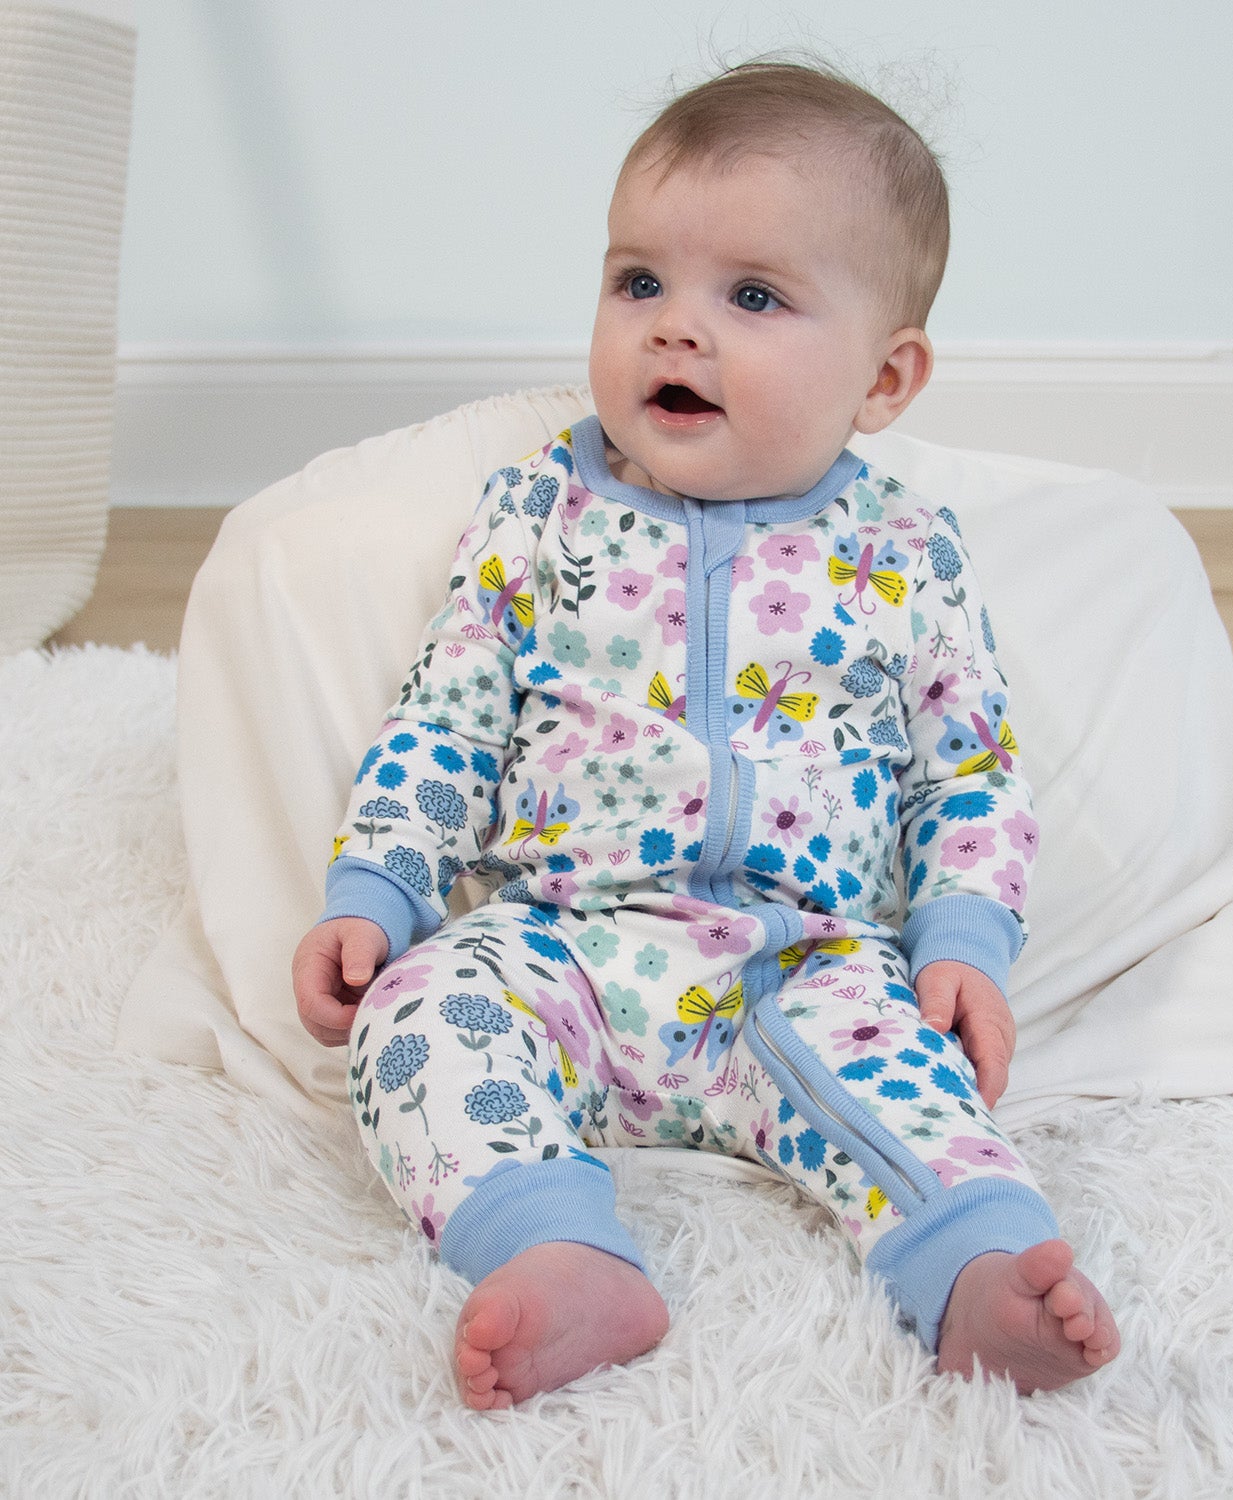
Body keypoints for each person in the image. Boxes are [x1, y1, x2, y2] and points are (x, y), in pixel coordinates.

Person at [293, 59, 1119, 1410]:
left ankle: (977, 1271)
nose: (676, 329)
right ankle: (555, 1250)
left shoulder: (902, 552)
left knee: (911, 1089)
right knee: (421, 1020)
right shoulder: (538, 515)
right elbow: (445, 715)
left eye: (753, 297)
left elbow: (969, 769)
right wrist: (376, 889)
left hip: (799, 963)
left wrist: (964, 942)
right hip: (563, 945)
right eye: (639, 283)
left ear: (885, 375)